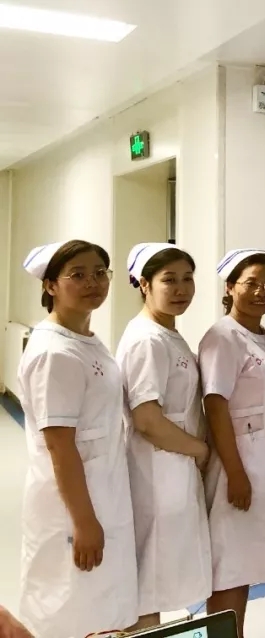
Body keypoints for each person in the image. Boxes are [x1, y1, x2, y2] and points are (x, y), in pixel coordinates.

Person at [17, 240, 138, 638]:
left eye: (100, 273)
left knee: (100, 607)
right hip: (72, 505)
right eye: (78, 275)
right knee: (70, 610)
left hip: (102, 489)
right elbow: (60, 445)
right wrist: (84, 522)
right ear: (50, 285)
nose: (93, 282)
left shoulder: (84, 338)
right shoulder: (54, 352)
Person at [116, 243, 213, 629]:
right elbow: (147, 419)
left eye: (187, 279)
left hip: (171, 467)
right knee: (150, 582)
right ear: (144, 284)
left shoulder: (167, 334)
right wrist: (200, 450)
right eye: (169, 280)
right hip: (157, 471)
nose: (181, 289)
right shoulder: (147, 340)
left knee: (158, 577)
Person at [201, 249, 265, 637]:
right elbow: (215, 404)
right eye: (251, 283)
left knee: (245, 564)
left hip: (262, 463)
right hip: (236, 468)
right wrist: (235, 473)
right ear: (230, 287)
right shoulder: (223, 337)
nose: (261, 292)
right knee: (230, 568)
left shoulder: (264, 337)